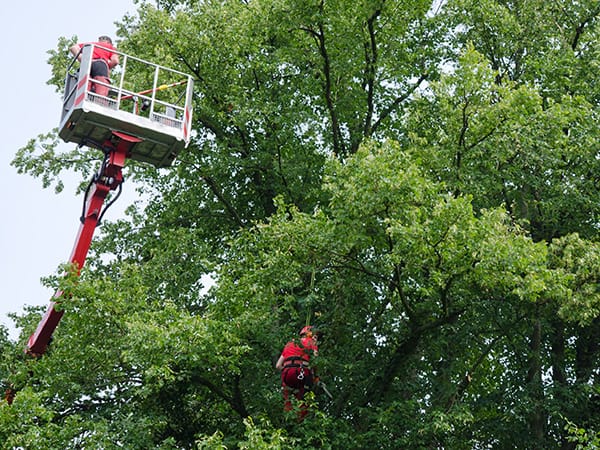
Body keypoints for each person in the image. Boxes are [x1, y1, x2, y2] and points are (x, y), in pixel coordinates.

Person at [276, 325, 319, 418]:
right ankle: (302, 419)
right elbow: (316, 361)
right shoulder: (311, 342)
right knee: (305, 396)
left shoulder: (289, 344)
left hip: (287, 375)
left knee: (287, 395)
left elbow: (278, 365)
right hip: (302, 373)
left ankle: (287, 417)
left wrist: (288, 369)